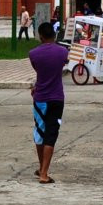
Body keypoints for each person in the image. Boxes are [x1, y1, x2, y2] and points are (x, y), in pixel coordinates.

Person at [28, 20, 70, 183]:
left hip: (40, 98)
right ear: (54, 35)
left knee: (40, 133)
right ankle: (44, 173)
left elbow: (39, 71)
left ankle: (42, 168)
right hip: (57, 98)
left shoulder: (33, 54)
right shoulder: (62, 52)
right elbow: (66, 63)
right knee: (51, 135)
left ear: (40, 36)